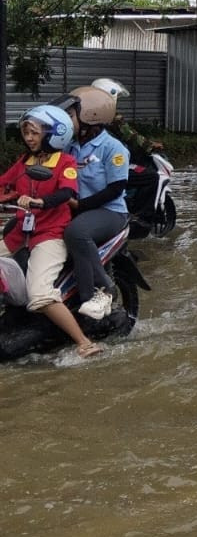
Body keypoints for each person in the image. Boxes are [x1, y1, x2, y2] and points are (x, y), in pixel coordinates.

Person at [0, 105, 101, 359]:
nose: (29, 138)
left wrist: (41, 202)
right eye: (26, 133)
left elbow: (67, 192)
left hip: (49, 235)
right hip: (19, 235)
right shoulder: (25, 161)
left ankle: (84, 342)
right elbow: (4, 183)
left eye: (34, 133)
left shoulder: (65, 162)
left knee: (40, 295)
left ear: (54, 134)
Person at [60, 86, 129, 321]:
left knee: (76, 232)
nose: (67, 121)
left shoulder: (113, 148)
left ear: (91, 116)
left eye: (71, 115)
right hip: (76, 209)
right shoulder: (70, 146)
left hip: (109, 212)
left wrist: (80, 206)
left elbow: (116, 188)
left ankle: (100, 290)